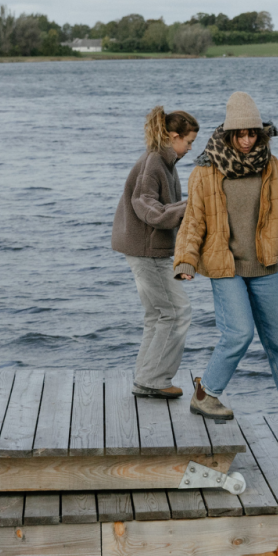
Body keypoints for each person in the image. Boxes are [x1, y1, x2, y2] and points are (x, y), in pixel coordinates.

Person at [172, 91, 278, 440]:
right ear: (228, 134)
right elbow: (193, 221)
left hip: (265, 266)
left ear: (260, 132)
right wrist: (186, 261)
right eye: (239, 134)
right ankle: (205, 395)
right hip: (225, 267)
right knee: (238, 333)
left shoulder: (271, 166)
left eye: (252, 133)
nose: (245, 140)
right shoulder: (205, 170)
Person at [112, 105, 200, 398]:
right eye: (188, 142)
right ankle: (155, 380)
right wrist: (190, 206)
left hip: (147, 249)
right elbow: (145, 204)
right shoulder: (154, 162)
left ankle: (146, 378)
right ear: (174, 136)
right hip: (147, 251)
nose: (189, 148)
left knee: (157, 315)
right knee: (177, 312)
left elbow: (158, 206)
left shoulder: (164, 162)